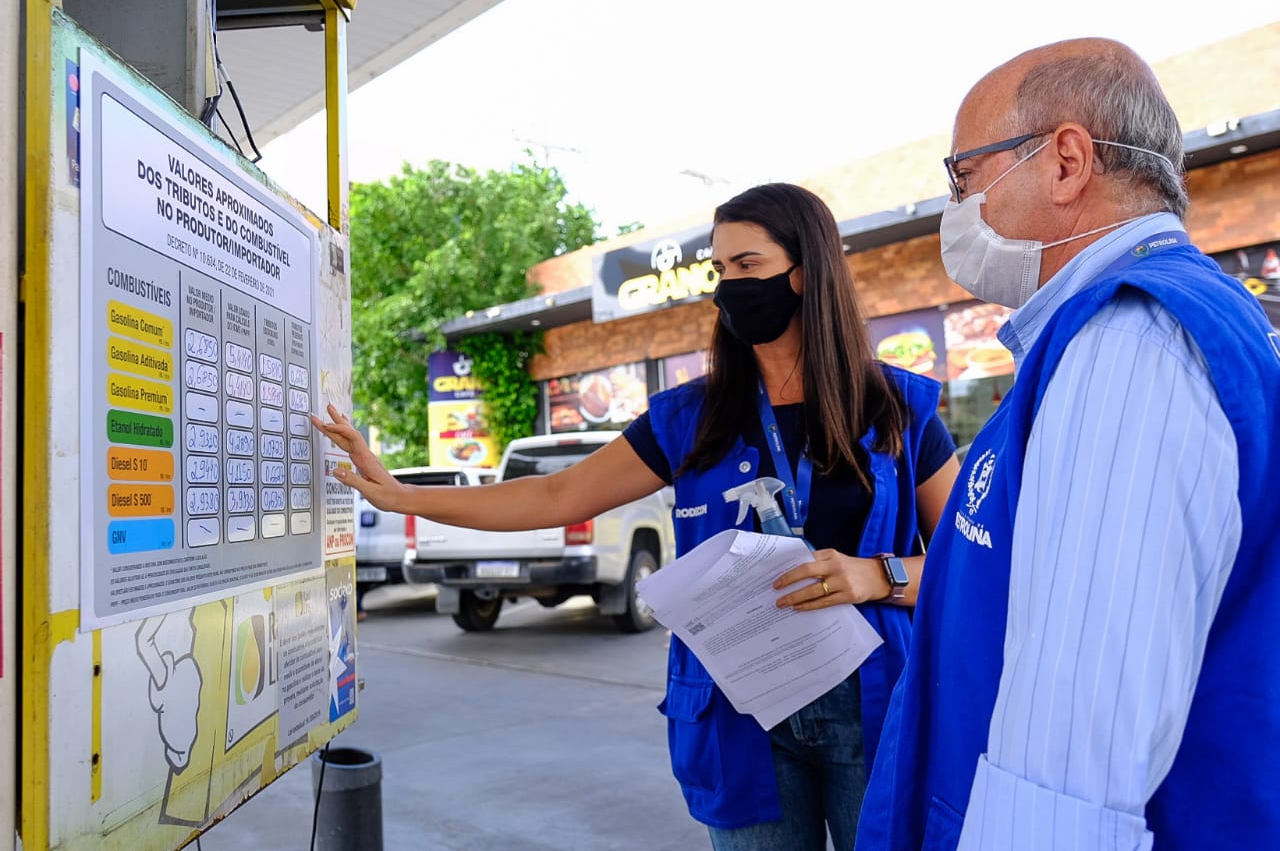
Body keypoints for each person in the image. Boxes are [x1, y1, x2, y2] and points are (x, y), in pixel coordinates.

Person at [313, 182, 959, 850]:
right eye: (719, 269)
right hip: (739, 709)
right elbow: (554, 497)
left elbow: (977, 556)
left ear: (807, 273)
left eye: (749, 266)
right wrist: (402, 494)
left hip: (873, 701)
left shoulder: (898, 409)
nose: (728, 288)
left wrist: (878, 575)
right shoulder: (689, 417)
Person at [856, 38, 1280, 851]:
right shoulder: (1173, 322)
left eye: (963, 176)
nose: (956, 208)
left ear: (1066, 162)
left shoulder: (1130, 344)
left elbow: (1070, 768)